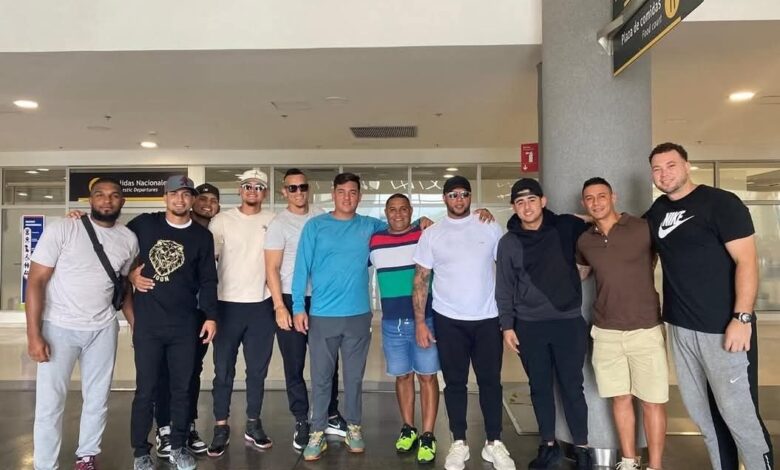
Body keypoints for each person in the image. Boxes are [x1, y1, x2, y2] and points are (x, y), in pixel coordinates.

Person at [644, 142, 774, 470]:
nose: (664, 174)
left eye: (671, 165)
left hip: (723, 327)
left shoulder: (721, 203)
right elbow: (624, 232)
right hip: (681, 328)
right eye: (657, 169)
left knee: (739, 414)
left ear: (687, 166)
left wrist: (742, 317)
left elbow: (747, 262)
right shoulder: (658, 211)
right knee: (703, 414)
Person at [293, 172, 428, 461]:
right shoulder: (315, 226)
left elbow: (398, 225)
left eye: (353, 192)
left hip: (358, 315)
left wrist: (422, 222)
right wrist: (297, 307)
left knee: (354, 378)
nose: (347, 197)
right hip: (322, 315)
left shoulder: (370, 226)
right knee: (321, 378)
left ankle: (353, 427)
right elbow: (301, 268)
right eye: (342, 192)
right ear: (333, 194)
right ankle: (317, 431)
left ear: (359, 196)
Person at [26, 178, 138, 470]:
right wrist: (34, 334)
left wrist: (135, 327)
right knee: (50, 402)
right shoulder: (64, 228)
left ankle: (87, 455)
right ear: (90, 200)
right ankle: (45, 464)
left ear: (122, 201)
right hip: (58, 327)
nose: (107, 200)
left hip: (103, 328)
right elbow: (36, 281)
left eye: (114, 195)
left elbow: (123, 286)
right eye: (100, 194)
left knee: (97, 399)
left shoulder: (128, 239)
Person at [413, 175, 515, 470]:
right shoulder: (432, 234)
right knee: (454, 383)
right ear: (444, 198)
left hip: (487, 318)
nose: (459, 199)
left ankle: (494, 443)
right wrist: (420, 322)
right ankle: (459, 442)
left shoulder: (489, 225)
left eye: (464, 194)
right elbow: (421, 279)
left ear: (470, 197)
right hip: (449, 320)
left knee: (490, 382)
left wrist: (509, 316)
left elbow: (506, 270)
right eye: (453, 195)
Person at [495, 178, 592, 470]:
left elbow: (599, 222)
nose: (526, 207)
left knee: (572, 387)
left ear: (543, 201)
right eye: (520, 202)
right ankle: (548, 446)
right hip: (529, 326)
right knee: (539, 388)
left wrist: (583, 267)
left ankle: (582, 449)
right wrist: (507, 326)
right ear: (514, 207)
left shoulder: (565, 226)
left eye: (532, 200)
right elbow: (504, 287)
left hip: (568, 323)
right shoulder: (509, 242)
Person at [575, 177, 667, 470]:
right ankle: (629, 461)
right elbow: (581, 273)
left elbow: (657, 257)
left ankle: (655, 466)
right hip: (606, 332)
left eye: (601, 196)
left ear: (613, 197)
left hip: (645, 328)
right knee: (620, 399)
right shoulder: (585, 241)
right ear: (584, 203)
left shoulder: (641, 228)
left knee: (652, 401)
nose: (596, 202)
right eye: (590, 198)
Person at [127, 175, 218, 470]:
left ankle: (178, 446)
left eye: (186, 195)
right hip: (149, 325)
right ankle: (141, 452)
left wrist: (211, 316)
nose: (180, 199)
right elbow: (113, 241)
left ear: (192, 199)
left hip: (184, 325)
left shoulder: (202, 237)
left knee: (182, 389)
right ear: (165, 197)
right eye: (174, 194)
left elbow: (208, 280)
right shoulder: (145, 224)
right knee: (146, 390)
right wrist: (130, 275)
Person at [264, 168, 346, 451]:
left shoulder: (322, 216)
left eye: (303, 187)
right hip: (289, 299)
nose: (299, 192)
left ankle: (331, 413)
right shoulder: (279, 224)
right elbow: (271, 268)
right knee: (295, 363)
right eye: (293, 188)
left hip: (322, 300)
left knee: (328, 361)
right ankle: (301, 419)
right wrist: (279, 306)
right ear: (284, 192)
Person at [207, 169, 276, 457]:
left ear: (265, 193)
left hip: (261, 305)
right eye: (248, 186)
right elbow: (207, 261)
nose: (252, 190)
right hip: (226, 305)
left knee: (257, 371)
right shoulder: (222, 220)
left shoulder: (273, 220)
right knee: (223, 370)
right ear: (240, 189)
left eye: (258, 187)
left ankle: (253, 423)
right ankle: (221, 426)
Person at [369, 193, 440, 464]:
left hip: (425, 320)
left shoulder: (425, 235)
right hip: (391, 322)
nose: (398, 214)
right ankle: (409, 428)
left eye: (403, 209)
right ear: (385, 213)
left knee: (427, 376)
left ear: (411, 211)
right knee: (402, 376)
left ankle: (428, 435)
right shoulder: (375, 241)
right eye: (392, 209)